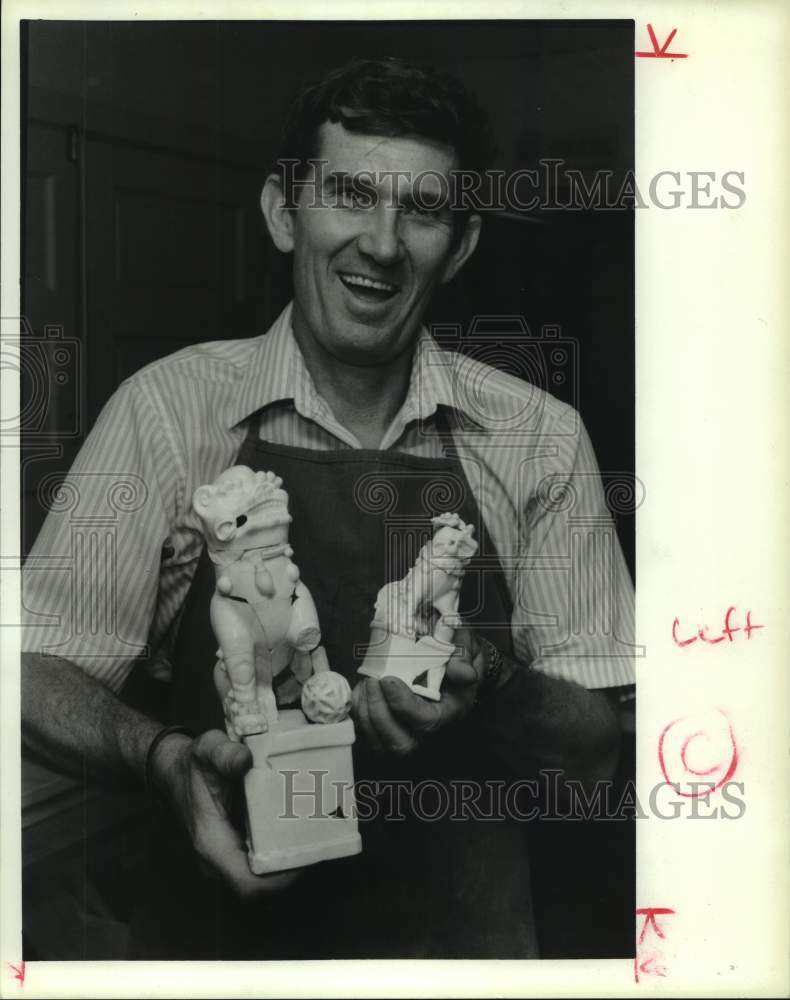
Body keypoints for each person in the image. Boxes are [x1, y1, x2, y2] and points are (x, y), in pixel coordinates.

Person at [21, 56, 635, 959]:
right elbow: (30, 667)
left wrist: (493, 684)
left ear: (461, 245)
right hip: (219, 954)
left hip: (464, 955)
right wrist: (164, 760)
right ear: (284, 211)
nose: (381, 244)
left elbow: (597, 750)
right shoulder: (166, 411)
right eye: (349, 194)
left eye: (422, 209)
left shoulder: (539, 439)